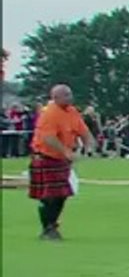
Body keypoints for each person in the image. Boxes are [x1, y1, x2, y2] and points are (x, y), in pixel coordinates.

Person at [28, 84, 95, 240]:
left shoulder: (72, 112)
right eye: (66, 95)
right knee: (49, 196)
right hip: (45, 157)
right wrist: (66, 151)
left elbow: (84, 131)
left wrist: (89, 146)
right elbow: (48, 138)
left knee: (62, 194)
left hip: (60, 160)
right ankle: (48, 228)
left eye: (70, 94)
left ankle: (52, 226)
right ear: (55, 97)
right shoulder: (49, 113)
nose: (70, 97)